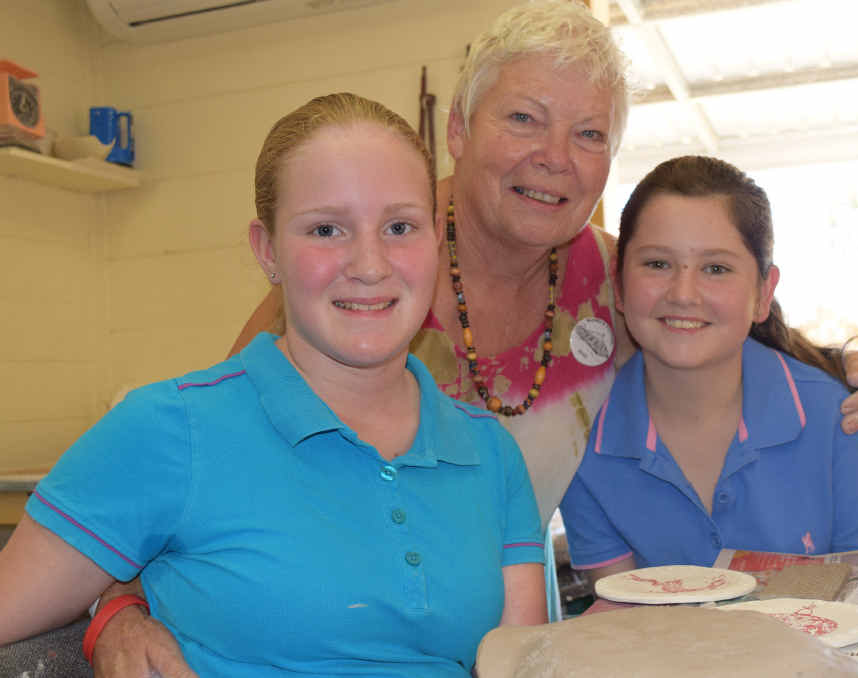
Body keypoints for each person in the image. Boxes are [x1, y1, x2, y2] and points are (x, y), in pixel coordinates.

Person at [88, 1, 858, 675]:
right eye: (523, 119)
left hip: (505, 644)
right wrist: (116, 607)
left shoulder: (615, 285)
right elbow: (194, 464)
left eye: (589, 134)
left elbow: (716, 320)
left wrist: (855, 371)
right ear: (458, 130)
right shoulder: (363, 280)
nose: (555, 158)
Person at [0, 92, 547, 677]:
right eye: (327, 229)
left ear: (436, 237)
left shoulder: (490, 451)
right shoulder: (170, 429)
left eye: (399, 226)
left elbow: (522, 664)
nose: (370, 265)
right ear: (268, 252)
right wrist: (113, 608)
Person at [559, 156, 858, 580]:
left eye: (716, 269)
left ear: (763, 293)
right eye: (657, 264)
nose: (683, 293)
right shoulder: (581, 440)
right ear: (619, 283)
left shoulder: (847, 418)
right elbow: (619, 611)